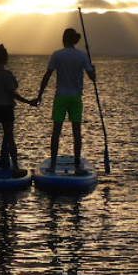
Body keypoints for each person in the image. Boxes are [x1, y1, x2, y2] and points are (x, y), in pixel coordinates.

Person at [37, 28, 96, 175]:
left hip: (61, 97)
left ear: (64, 39)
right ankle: (77, 164)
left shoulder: (57, 55)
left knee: (56, 131)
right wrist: (93, 68)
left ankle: (53, 164)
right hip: (75, 98)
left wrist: (40, 95)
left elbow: (47, 75)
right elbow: (93, 78)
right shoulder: (82, 56)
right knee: (76, 132)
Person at [0, 43, 37, 177]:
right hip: (5, 108)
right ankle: (15, 167)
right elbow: (13, 91)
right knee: (10, 137)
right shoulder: (7, 74)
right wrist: (28, 102)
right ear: (5, 58)